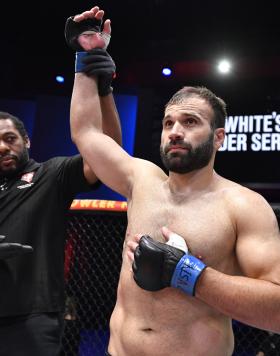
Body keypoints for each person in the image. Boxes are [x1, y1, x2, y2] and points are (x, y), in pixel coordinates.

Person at [69, 6, 280, 356]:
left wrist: (189, 274)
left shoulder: (242, 205)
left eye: (190, 122)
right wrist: (85, 59)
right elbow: (86, 132)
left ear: (219, 138)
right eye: (168, 124)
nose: (176, 132)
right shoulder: (141, 179)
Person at [0, 15, 121, 355]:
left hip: (32, 317)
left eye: (10, 138)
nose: (2, 147)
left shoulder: (49, 175)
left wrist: (99, 80)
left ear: (28, 141)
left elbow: (107, 152)